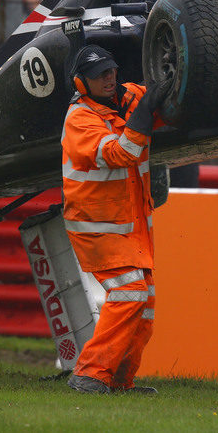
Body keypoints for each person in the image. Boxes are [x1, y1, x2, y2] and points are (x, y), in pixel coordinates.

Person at [61, 44, 165, 395]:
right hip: (97, 228)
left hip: (130, 228)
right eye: (98, 75)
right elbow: (123, 153)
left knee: (144, 303)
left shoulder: (128, 97)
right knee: (130, 293)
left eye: (110, 71)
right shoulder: (79, 120)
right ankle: (89, 374)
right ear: (81, 83)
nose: (108, 78)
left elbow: (164, 103)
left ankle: (120, 381)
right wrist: (145, 112)